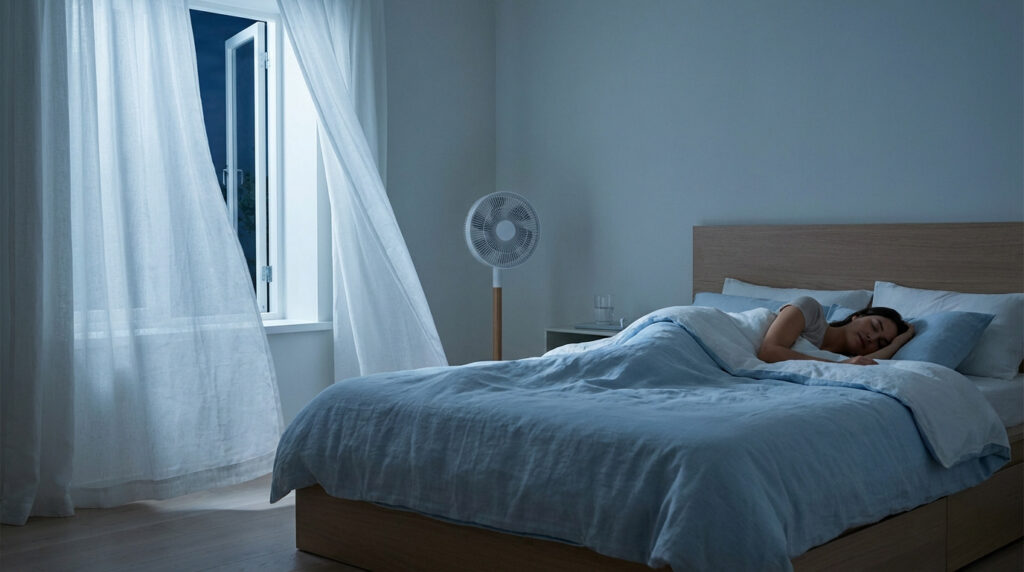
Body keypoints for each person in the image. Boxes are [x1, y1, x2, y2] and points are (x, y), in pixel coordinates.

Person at [758, 296, 915, 366]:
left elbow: (867, 364)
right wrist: (839, 364)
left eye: (880, 343)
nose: (871, 338)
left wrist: (898, 342)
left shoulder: (845, 361)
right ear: (856, 316)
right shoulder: (810, 310)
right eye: (874, 326)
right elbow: (768, 351)